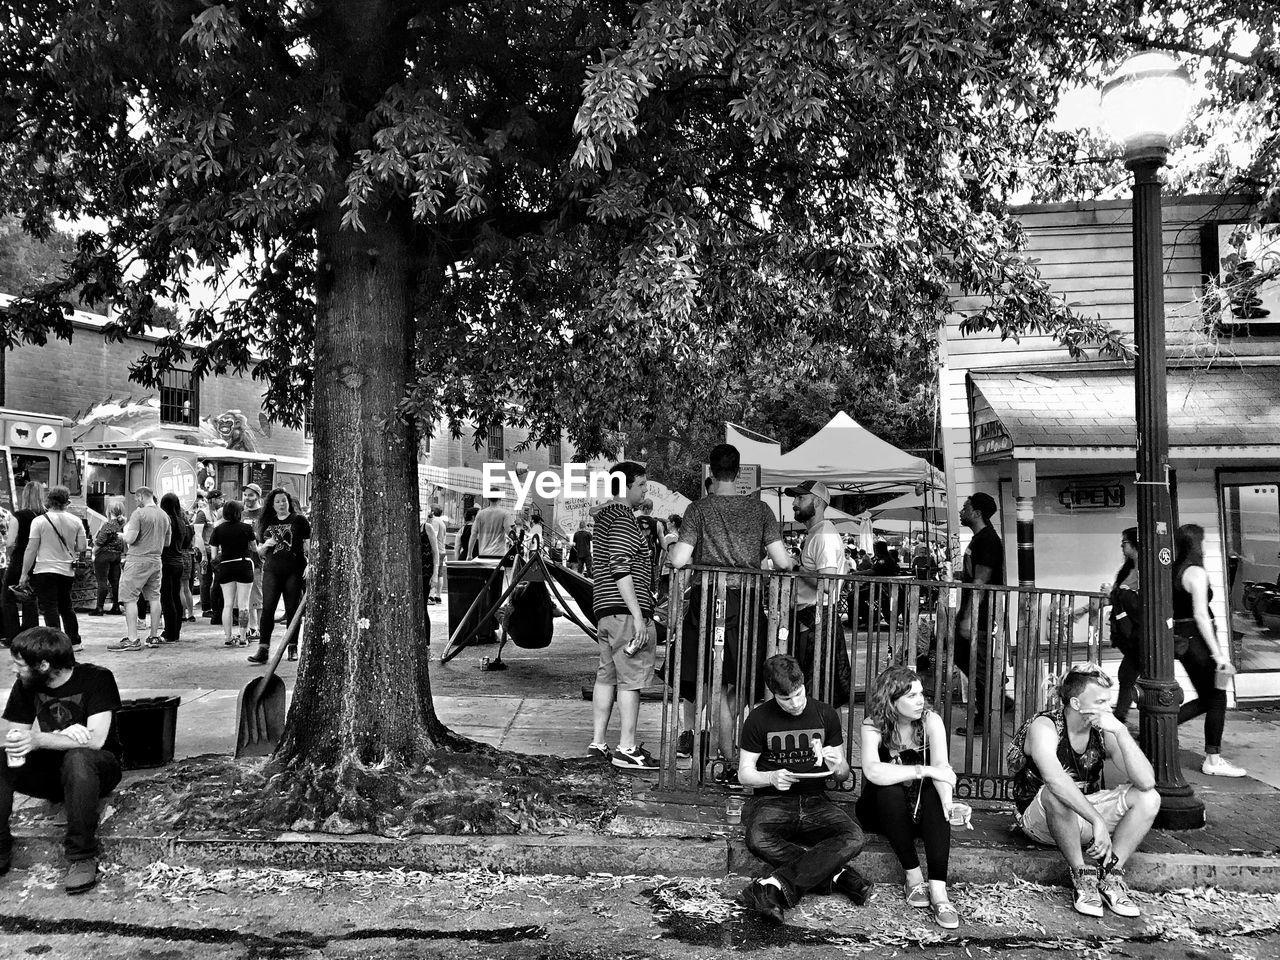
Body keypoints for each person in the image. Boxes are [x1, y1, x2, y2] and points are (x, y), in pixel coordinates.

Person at [668, 443, 792, 770]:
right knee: (743, 678)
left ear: (711, 471)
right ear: (739, 474)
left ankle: (722, 749)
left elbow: (679, 559)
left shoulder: (698, 509)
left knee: (711, 678)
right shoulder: (761, 510)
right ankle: (732, 749)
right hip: (747, 603)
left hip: (708, 601)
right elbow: (781, 561)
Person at [1010, 664, 1160, 918]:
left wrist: (1121, 731)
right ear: (1077, 704)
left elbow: (1146, 781)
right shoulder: (1045, 726)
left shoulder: (1103, 730)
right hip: (1041, 820)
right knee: (1054, 792)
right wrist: (1097, 820)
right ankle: (1082, 876)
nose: (1107, 708)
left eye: (1108, 701)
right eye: (1100, 702)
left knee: (1149, 798)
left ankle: (1110, 875)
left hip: (1086, 815)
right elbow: (1055, 780)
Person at [737, 655, 870, 923]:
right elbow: (744, 774)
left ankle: (774, 887)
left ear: (803, 684)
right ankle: (837, 875)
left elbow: (842, 775)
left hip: (815, 799)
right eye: (786, 699)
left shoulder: (825, 714)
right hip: (772, 800)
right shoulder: (758, 719)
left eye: (799, 694)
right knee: (757, 838)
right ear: (773, 693)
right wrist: (771, 778)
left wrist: (839, 764)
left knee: (854, 836)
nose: (795, 703)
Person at [2, 626, 123, 894]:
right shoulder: (26, 684)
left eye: (20, 665)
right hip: (52, 770)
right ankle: (0, 848)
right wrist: (60, 734)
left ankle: (81, 857)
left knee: (78, 757)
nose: (14, 670)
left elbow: (96, 740)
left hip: (98, 769)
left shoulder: (96, 678)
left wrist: (41, 739)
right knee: (1, 758)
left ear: (44, 665)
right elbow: (13, 736)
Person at [857, 666, 959, 929]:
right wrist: (921, 770)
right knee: (888, 788)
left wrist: (949, 804)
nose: (920, 700)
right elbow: (872, 770)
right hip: (880, 811)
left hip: (918, 811)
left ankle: (938, 891)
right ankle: (913, 878)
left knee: (934, 793)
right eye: (911, 696)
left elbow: (943, 771)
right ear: (891, 700)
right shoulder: (874, 724)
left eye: (921, 694)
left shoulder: (930, 721)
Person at [588, 462, 659, 771]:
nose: (645, 490)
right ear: (625, 486)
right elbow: (620, 567)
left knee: (607, 676)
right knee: (631, 679)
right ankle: (627, 748)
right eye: (641, 484)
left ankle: (598, 743)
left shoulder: (604, 518)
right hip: (624, 610)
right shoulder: (622, 519)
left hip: (605, 610)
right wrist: (639, 617)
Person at [1173, 524, 1246, 777]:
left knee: (1208, 697)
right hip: (1199, 640)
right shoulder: (1196, 572)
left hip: (1183, 641)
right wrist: (1218, 654)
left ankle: (1160, 730)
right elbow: (1202, 616)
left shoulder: (1174, 570)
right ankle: (1213, 759)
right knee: (1217, 697)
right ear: (1197, 544)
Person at [786, 480, 851, 706]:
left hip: (817, 618)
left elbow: (828, 584)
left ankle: (825, 739)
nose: (794, 503)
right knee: (815, 688)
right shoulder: (816, 532)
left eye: (800, 498)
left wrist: (795, 567)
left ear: (818, 501)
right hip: (811, 618)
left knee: (819, 690)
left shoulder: (825, 534)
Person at [953, 492, 1006, 737]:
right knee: (963, 657)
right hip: (972, 612)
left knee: (979, 665)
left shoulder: (988, 540)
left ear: (977, 513)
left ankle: (986, 716)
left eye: (966, 507)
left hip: (979, 615)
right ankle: (999, 698)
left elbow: (981, 582)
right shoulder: (979, 539)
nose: (962, 511)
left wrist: (969, 617)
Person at [18, 485, 88, 650]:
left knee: (50, 607)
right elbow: (82, 547)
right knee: (66, 607)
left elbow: (31, 549)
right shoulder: (76, 521)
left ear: (49, 501)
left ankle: (56, 644)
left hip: (44, 570)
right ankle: (75, 641)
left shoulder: (39, 521)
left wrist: (24, 573)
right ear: (67, 502)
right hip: (66, 571)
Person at [107, 487, 169, 652]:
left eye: (136, 498)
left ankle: (133, 638)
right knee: (155, 597)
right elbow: (167, 542)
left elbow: (131, 538)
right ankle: (154, 635)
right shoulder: (164, 515)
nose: (136, 501)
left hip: (137, 560)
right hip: (156, 560)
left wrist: (123, 536)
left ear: (141, 496)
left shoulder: (138, 514)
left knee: (130, 598)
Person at [253, 488, 310, 664]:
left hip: (294, 569)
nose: (281, 505)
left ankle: (292, 647)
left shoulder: (299, 520)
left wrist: (310, 563)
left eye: (284, 501)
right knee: (267, 608)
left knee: (292, 609)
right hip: (272, 569)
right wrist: (264, 546)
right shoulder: (267, 522)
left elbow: (308, 544)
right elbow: (260, 551)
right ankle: (263, 648)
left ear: (289, 502)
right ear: (272, 504)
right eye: (277, 502)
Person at [210, 500, 257, 648]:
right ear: (239, 512)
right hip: (244, 564)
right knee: (243, 604)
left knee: (228, 604)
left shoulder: (218, 529)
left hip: (226, 566)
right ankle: (243, 637)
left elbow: (213, 555)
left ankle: (228, 636)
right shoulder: (246, 528)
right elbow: (254, 548)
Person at [3, 482, 46, 644]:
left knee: (7, 597)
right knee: (30, 597)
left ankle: (13, 635)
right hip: (39, 560)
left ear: (25, 495)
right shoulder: (45, 515)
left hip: (19, 559)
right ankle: (30, 635)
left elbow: (10, 542)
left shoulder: (19, 516)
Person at [1109, 527, 1142, 723]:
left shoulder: (1144, 570)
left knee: (1128, 674)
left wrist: (1117, 594)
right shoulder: (1128, 570)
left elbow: (1134, 600)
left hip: (1138, 631)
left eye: (1125, 542)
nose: (1122, 546)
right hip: (1128, 632)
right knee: (1128, 674)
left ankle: (1120, 716)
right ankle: (1120, 715)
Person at [157, 493, 191, 644]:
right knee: (176, 596)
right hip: (179, 561)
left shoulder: (166, 521)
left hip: (166, 562)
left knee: (166, 598)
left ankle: (169, 632)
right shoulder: (182, 521)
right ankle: (176, 631)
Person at [89, 505, 126, 617]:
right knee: (115, 582)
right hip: (116, 555)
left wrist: (93, 552)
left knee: (102, 581)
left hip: (104, 555)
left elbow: (100, 542)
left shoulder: (108, 524)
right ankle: (116, 606)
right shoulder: (122, 524)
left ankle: (99, 608)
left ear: (109, 511)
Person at [194, 490, 225, 622]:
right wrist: (203, 556)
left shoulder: (217, 513)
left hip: (215, 551)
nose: (222, 501)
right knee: (205, 581)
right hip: (204, 551)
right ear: (212, 500)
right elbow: (198, 535)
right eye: (219, 499)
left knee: (215, 581)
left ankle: (213, 606)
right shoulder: (202, 514)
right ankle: (206, 608)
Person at [241, 484, 266, 640]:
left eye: (250, 495)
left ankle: (259, 626)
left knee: (259, 592)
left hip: (260, 559)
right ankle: (253, 626)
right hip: (245, 557)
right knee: (248, 594)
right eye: (245, 495)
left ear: (257, 496)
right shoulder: (242, 514)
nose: (247, 498)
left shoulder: (264, 514)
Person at [467, 495, 516, 559]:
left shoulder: (480, 514)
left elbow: (473, 534)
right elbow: (508, 531)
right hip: (499, 554)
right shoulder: (505, 513)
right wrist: (515, 539)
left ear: (488, 498)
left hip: (483, 554)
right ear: (499, 498)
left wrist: (469, 554)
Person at [635, 499, 666, 586]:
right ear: (651, 509)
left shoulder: (633, 521)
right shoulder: (657, 524)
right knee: (649, 586)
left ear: (640, 507)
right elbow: (664, 545)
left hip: (635, 559)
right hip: (651, 560)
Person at [428, 506, 449, 603]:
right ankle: (438, 596)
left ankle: (431, 595)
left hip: (436, 550)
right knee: (440, 574)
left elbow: (434, 535)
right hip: (442, 550)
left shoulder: (435, 521)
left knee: (434, 572)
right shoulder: (442, 523)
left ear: (432, 511)